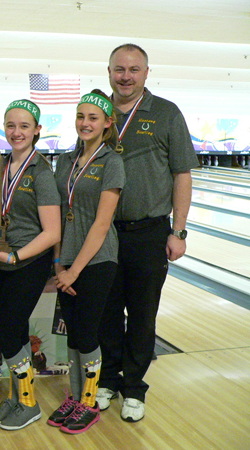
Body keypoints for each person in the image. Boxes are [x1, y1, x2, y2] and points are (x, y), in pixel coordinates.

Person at [97, 44, 198, 422]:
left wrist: (179, 231)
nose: (126, 75)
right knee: (106, 311)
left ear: (146, 72)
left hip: (149, 232)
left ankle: (134, 388)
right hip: (103, 234)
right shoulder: (97, 111)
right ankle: (107, 378)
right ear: (108, 71)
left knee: (142, 313)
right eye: (119, 69)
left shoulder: (167, 113)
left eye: (133, 69)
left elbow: (182, 174)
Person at [47, 90, 125, 434]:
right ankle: (76, 396)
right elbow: (58, 217)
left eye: (93, 118)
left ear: (107, 123)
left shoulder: (112, 162)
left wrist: (75, 270)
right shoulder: (64, 161)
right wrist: (59, 265)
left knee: (89, 332)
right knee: (73, 333)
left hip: (96, 261)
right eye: (81, 116)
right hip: (66, 261)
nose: (85, 123)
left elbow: (101, 223)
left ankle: (89, 402)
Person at [0, 99, 61, 431]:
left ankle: (29, 403)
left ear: (37, 130)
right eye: (11, 125)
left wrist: (16, 256)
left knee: (6, 333)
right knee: (13, 331)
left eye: (24, 126)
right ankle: (18, 395)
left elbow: (53, 230)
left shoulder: (41, 172)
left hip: (26, 263)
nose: (17, 132)